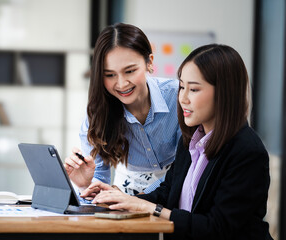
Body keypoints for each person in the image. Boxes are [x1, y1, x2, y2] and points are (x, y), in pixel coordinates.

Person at [84, 44, 273, 240]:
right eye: (182, 86)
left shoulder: (247, 151)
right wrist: (122, 199)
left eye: (193, 89)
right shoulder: (192, 140)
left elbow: (218, 228)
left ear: (225, 92)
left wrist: (153, 209)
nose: (182, 98)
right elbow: (168, 192)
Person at [64, 23, 181, 198]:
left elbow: (189, 164)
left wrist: (140, 198)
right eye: (110, 75)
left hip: (176, 190)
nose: (121, 84)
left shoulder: (179, 97)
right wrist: (86, 184)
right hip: (124, 195)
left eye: (130, 71)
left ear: (149, 62)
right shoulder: (98, 115)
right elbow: (99, 181)